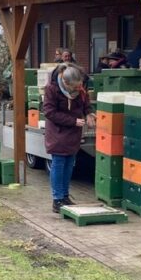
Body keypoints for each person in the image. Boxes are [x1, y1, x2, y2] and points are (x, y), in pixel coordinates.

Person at [42, 64, 94, 213]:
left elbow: (85, 101)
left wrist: (89, 113)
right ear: (65, 82)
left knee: (70, 163)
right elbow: (49, 112)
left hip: (74, 132)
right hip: (58, 132)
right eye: (75, 87)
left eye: (80, 86)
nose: (78, 89)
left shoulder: (80, 86)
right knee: (59, 163)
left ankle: (65, 196)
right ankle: (57, 199)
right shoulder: (51, 89)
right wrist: (73, 121)